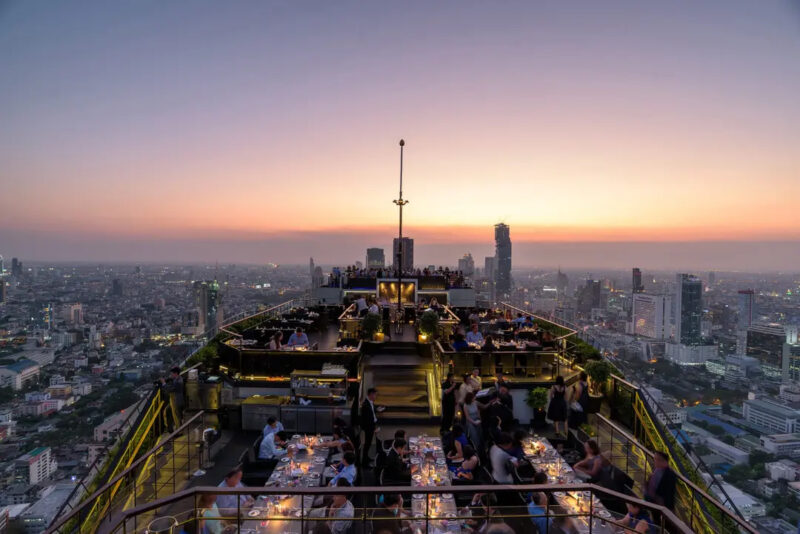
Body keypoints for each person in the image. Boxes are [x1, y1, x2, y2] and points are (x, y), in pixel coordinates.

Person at [360, 388, 378, 466]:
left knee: (368, 443)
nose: (376, 396)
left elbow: (372, 412)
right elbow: (367, 419)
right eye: (375, 395)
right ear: (371, 394)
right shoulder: (366, 405)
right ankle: (364, 462)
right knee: (367, 444)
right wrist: (373, 428)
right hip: (369, 427)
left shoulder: (370, 402)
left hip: (371, 426)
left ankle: (366, 458)